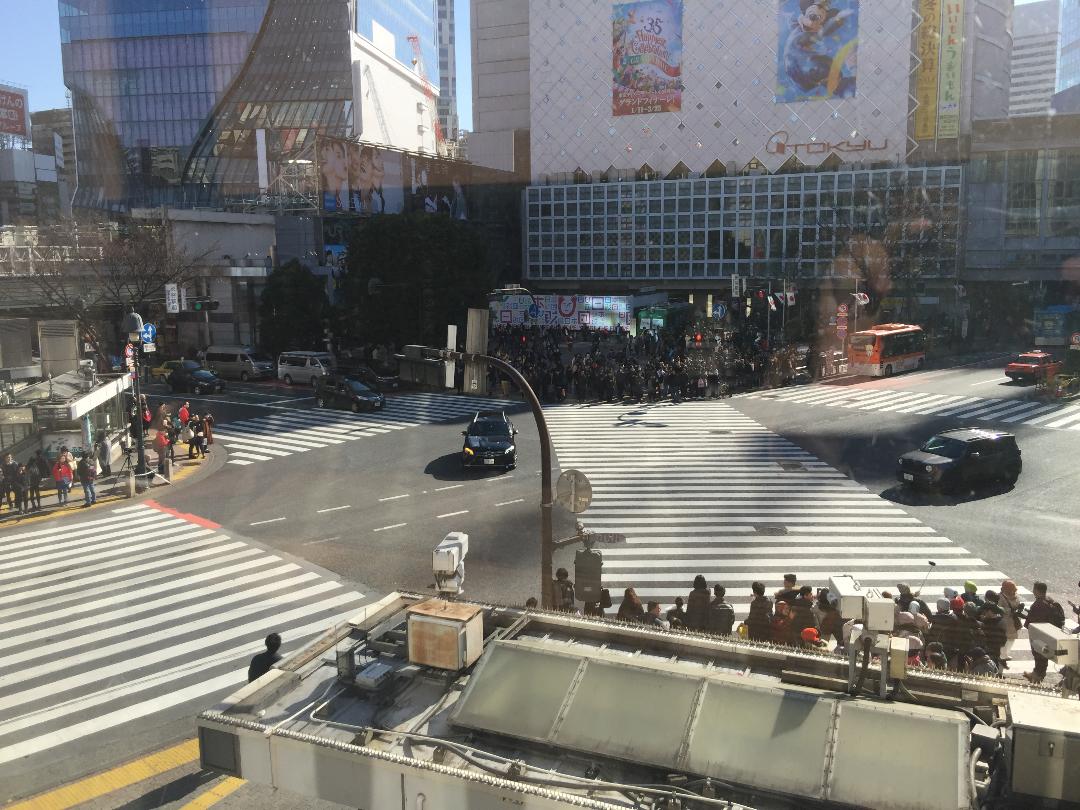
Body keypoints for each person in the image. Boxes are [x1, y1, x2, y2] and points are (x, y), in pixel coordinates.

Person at [1024, 581, 1066, 684]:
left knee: (1039, 653)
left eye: (1034, 589)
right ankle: (1038, 674)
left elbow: (1031, 621)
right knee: (1044, 654)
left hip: (1040, 633)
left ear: (1037, 590)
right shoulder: (1050, 600)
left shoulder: (1038, 604)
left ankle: (1037, 676)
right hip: (1051, 631)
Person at [998, 579, 1024, 664]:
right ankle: (1002, 656)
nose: (1014, 591)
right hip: (1006, 623)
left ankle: (1005, 654)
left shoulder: (1016, 596)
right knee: (1004, 640)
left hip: (1014, 622)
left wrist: (1019, 608)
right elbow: (999, 609)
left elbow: (1018, 604)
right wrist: (1010, 611)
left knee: (1011, 639)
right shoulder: (1001, 597)